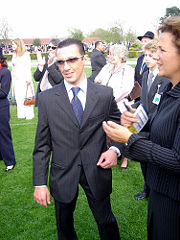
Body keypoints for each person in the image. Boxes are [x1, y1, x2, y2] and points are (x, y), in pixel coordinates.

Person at [33, 38, 121, 240]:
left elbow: (119, 126)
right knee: (64, 227)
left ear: (84, 59)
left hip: (96, 169)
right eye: (60, 62)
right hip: (62, 173)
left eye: (72, 60)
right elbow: (42, 145)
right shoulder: (47, 99)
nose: (66, 67)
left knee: (106, 221)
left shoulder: (104, 94)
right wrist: (39, 183)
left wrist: (115, 149)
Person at [103, 16, 180, 240]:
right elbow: (157, 132)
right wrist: (128, 131)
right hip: (160, 193)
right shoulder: (169, 89)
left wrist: (129, 139)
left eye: (162, 50)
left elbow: (177, 159)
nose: (155, 56)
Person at [133, 39, 169, 200]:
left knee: (157, 160)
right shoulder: (146, 74)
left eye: (150, 55)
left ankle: (157, 188)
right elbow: (145, 100)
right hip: (144, 124)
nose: (146, 58)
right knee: (143, 159)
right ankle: (147, 188)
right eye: (145, 55)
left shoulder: (166, 77)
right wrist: (131, 109)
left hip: (159, 125)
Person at [95, 44, 134, 170]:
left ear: (121, 56)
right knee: (108, 130)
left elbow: (126, 89)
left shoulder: (127, 70)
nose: (110, 57)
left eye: (113, 55)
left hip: (120, 105)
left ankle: (125, 158)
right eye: (109, 54)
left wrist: (109, 98)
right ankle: (112, 152)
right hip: (105, 104)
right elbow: (97, 80)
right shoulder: (107, 67)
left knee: (125, 130)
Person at [34, 38, 64, 106]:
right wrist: (40, 66)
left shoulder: (62, 61)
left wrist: (50, 65)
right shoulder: (44, 59)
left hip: (55, 97)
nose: (50, 49)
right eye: (49, 47)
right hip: (42, 95)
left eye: (53, 47)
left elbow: (59, 79)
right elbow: (36, 78)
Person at [0, 48, 16, 172]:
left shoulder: (5, 72)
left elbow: (4, 92)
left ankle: (10, 161)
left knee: (4, 134)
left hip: (2, 107)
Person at [11, 38, 35, 120]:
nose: (12, 46)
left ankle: (29, 115)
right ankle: (21, 115)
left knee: (27, 97)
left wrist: (28, 79)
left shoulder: (26, 54)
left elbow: (28, 67)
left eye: (13, 44)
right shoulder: (14, 54)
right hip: (16, 80)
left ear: (18, 44)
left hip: (24, 80)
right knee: (19, 98)